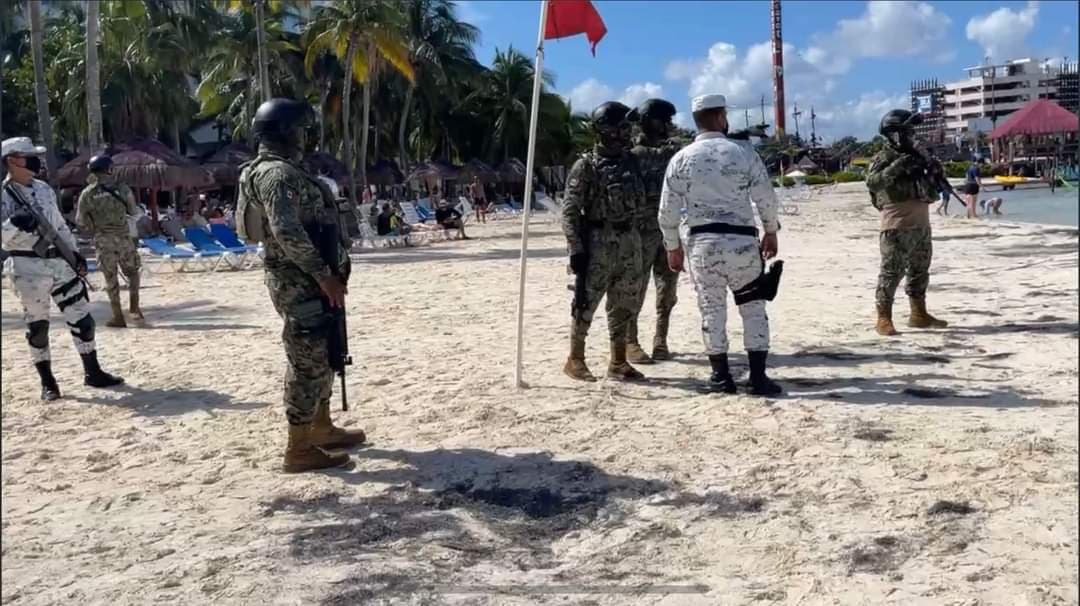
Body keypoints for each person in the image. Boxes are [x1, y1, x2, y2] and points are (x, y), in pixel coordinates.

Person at [236, 98, 366, 473]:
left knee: (325, 351)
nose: (306, 137)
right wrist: (324, 275)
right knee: (307, 359)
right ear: (287, 132)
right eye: (302, 130)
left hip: (308, 279)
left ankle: (321, 426)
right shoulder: (276, 174)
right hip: (300, 281)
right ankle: (299, 447)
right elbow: (286, 230)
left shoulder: (275, 170)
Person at [657, 94, 783, 396]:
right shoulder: (743, 153)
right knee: (753, 308)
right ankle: (758, 378)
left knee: (711, 310)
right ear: (719, 117)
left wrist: (672, 247)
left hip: (703, 244)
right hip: (742, 242)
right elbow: (765, 197)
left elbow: (667, 211)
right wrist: (770, 230)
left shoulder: (681, 158)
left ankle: (720, 377)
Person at [1, 137, 124, 401]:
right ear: (12, 160)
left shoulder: (44, 189)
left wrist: (75, 254)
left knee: (83, 320)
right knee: (38, 327)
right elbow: (2, 238)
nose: (35, 161)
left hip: (59, 262)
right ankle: (48, 383)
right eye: (28, 156)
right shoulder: (4, 194)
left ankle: (93, 372)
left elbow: (58, 226)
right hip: (27, 267)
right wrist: (13, 224)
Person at [561, 101, 646, 382]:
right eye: (621, 128)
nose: (626, 133)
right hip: (598, 242)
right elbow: (570, 211)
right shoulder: (585, 166)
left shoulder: (632, 162)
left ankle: (618, 361)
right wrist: (575, 248)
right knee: (586, 303)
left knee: (624, 303)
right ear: (605, 130)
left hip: (629, 241)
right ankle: (575, 359)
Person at [865, 109, 948, 337]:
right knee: (891, 273)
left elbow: (934, 185)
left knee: (920, 271)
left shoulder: (919, 155)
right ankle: (884, 318)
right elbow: (872, 182)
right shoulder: (884, 157)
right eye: (908, 131)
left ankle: (919, 314)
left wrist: (934, 170)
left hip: (921, 224)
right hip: (896, 225)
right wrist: (899, 166)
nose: (912, 135)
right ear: (895, 133)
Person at [626, 98, 682, 363]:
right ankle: (631, 342)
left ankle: (661, 340)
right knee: (635, 289)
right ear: (649, 121)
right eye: (664, 120)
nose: (668, 125)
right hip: (640, 231)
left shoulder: (672, 151)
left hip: (668, 229)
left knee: (668, 289)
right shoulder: (632, 155)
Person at [76, 154, 145, 327]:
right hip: (123, 238)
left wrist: (95, 224)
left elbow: (80, 221)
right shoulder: (122, 188)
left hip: (103, 240)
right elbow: (134, 212)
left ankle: (118, 316)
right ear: (109, 169)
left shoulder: (87, 193)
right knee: (133, 272)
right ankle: (134, 308)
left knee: (110, 278)